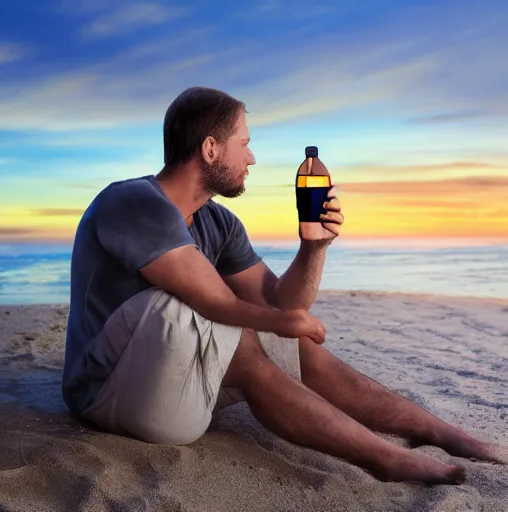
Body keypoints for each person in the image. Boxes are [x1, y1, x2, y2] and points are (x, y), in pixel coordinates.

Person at [62, 86, 504, 485]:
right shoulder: (133, 202)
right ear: (211, 149)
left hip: (173, 391)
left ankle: (440, 432)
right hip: (107, 396)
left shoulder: (220, 222)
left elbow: (278, 301)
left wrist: (314, 248)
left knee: (294, 343)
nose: (252, 158)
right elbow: (210, 299)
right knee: (213, 320)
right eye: (245, 143)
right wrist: (280, 320)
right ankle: (383, 458)